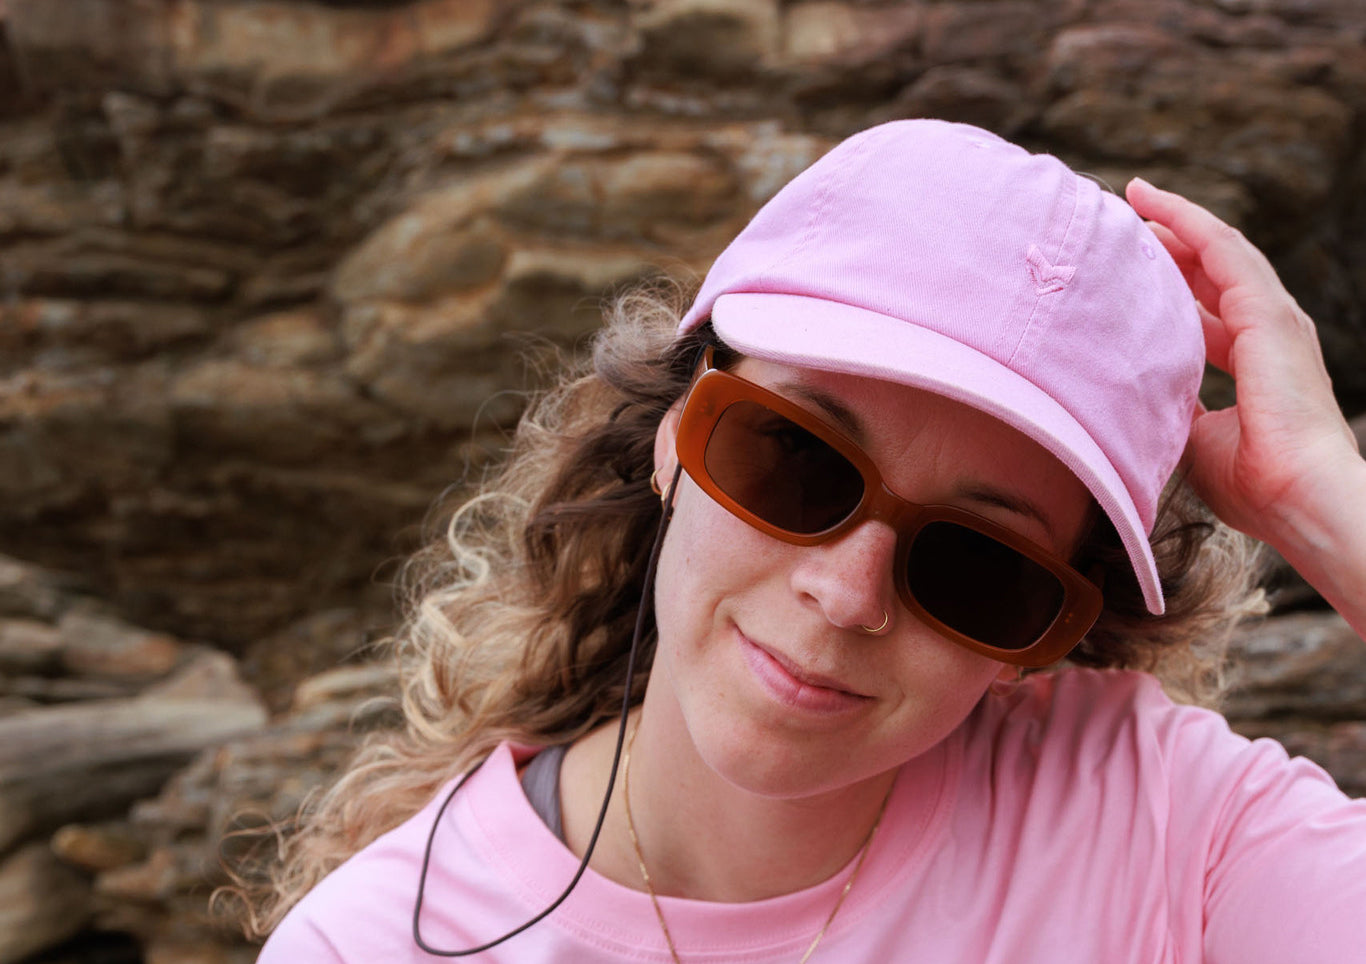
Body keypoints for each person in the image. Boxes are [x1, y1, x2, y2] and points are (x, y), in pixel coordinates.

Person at [246, 119, 1366, 962]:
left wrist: (1325, 502)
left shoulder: (1159, 824)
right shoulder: (375, 946)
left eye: (978, 567)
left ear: (1049, 628)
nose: (846, 592)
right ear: (675, 436)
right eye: (796, 464)